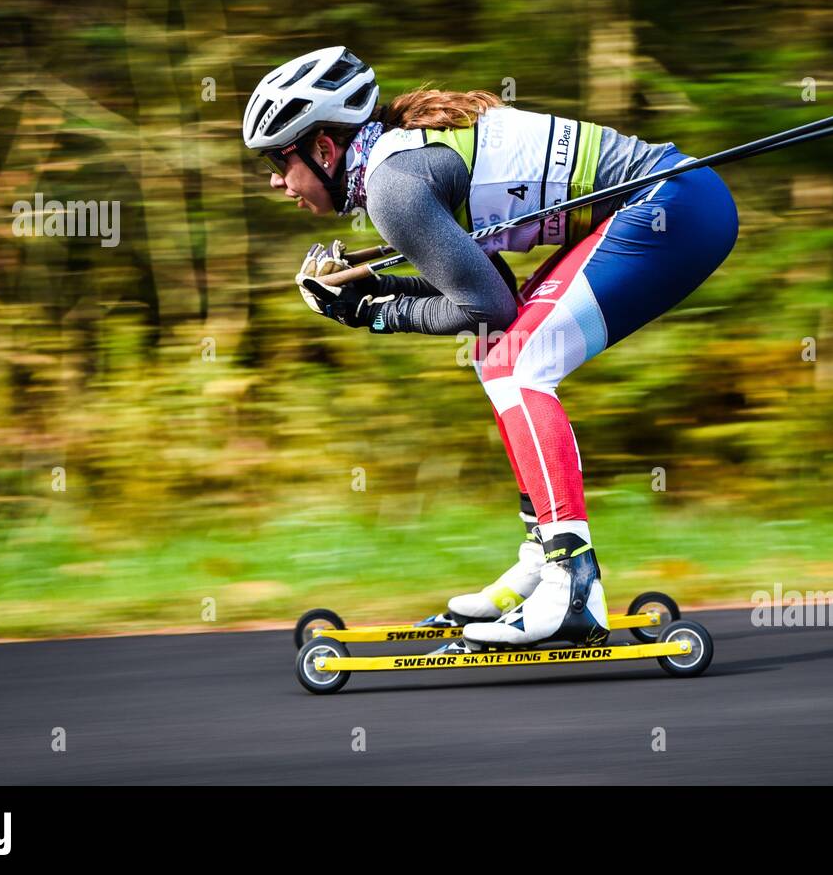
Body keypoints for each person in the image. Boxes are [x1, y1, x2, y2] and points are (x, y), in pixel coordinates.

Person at [243, 46, 737, 650]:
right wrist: (374, 291)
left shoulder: (392, 188)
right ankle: (542, 562)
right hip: (680, 200)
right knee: (498, 353)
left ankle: (572, 584)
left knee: (519, 363)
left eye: (278, 159)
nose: (274, 179)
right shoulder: (402, 159)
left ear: (323, 148)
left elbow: (487, 308)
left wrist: (372, 313)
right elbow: (485, 290)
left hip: (670, 208)